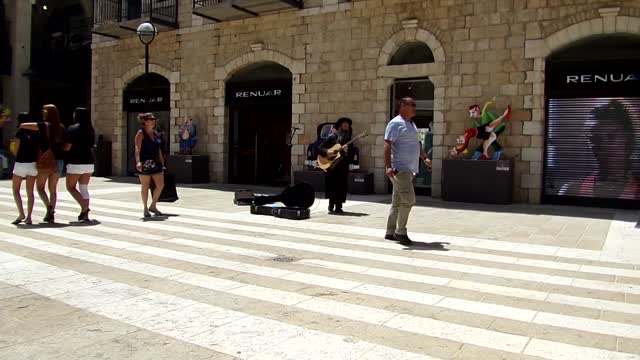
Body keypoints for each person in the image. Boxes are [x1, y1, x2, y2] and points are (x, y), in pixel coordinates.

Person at [559, 100, 639, 199]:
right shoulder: (572, 190)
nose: (603, 145)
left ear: (628, 140)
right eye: (594, 138)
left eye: (611, 136)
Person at [384, 97, 432, 246]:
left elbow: (416, 143)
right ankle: (401, 232)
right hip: (400, 168)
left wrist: (424, 158)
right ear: (403, 106)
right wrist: (387, 166)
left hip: (409, 168)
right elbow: (387, 145)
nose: (415, 108)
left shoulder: (411, 124)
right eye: (412, 105)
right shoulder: (395, 123)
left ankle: (390, 232)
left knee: (397, 202)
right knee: (409, 200)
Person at [19, 104, 65, 223]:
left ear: (48, 113)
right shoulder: (61, 127)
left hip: (46, 161)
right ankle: (51, 214)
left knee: (40, 188)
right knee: (53, 189)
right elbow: (65, 146)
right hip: (59, 161)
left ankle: (49, 207)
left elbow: (24, 125)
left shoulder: (44, 125)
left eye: (44, 110)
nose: (42, 112)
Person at [64, 107, 95, 222]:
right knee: (83, 188)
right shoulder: (90, 130)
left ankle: (85, 207)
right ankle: (84, 214)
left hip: (75, 162)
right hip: (89, 162)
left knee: (70, 187)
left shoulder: (72, 129)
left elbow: (68, 147)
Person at [318, 117, 353, 213]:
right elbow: (319, 148)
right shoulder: (331, 137)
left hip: (342, 167)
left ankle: (339, 206)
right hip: (331, 167)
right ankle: (331, 204)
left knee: (341, 187)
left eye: (348, 125)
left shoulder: (349, 140)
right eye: (344, 124)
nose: (346, 126)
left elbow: (351, 155)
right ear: (340, 126)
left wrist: (346, 152)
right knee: (332, 186)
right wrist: (327, 152)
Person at [134, 112, 165, 218]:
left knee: (160, 185)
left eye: (154, 119)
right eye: (151, 119)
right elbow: (137, 148)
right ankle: (145, 208)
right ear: (145, 121)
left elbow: (159, 149)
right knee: (145, 186)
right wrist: (138, 161)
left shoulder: (155, 133)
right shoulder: (140, 133)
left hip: (156, 162)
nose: (153, 121)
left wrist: (162, 162)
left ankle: (153, 205)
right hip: (144, 162)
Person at [11, 113, 38, 225]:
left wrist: (15, 153)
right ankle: (29, 217)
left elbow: (16, 150)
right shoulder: (36, 132)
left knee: (16, 190)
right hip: (33, 164)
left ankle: (21, 213)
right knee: (30, 192)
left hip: (21, 163)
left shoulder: (19, 133)